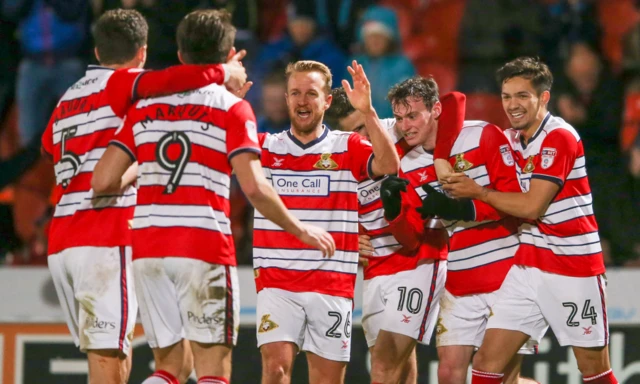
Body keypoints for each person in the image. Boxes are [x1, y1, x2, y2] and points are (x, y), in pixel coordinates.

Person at [92, 10, 335, 384]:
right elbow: (253, 186)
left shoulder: (143, 106)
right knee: (212, 371)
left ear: (179, 55)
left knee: (170, 369)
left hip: (148, 246)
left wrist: (150, 163)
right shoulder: (232, 108)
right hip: (201, 243)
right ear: (228, 55)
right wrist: (300, 228)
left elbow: (104, 180)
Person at [42, 8, 251, 384]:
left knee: (170, 361)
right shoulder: (133, 84)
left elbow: (48, 150)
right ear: (142, 52)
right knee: (110, 365)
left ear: (95, 50)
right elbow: (182, 83)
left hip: (63, 239)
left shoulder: (65, 99)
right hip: (107, 234)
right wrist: (224, 73)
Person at [441, 57, 617, 384]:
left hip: (573, 266)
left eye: (522, 95)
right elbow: (452, 109)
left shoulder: (559, 137)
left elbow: (533, 206)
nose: (512, 104)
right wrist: (439, 158)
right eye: (507, 96)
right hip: (527, 266)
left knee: (593, 370)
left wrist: (479, 192)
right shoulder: (508, 139)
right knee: (487, 363)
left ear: (544, 97)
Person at [254, 60, 399, 384]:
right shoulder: (264, 146)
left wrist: (368, 112)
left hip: (332, 283)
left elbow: (389, 164)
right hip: (278, 281)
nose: (302, 101)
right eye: (295, 93)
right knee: (275, 369)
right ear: (287, 98)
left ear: (327, 100)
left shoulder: (347, 146)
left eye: (311, 93)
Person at [325, 86, 463, 384]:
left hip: (419, 259)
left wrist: (440, 156)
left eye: (363, 126)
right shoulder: (336, 157)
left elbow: (453, 101)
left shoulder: (394, 130)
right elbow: (323, 209)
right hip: (376, 265)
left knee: (385, 365)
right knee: (395, 364)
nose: (363, 138)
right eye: (353, 133)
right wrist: (346, 238)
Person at [415, 111, 542, 384]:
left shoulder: (481, 134)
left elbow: (514, 199)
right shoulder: (408, 159)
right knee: (448, 372)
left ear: (435, 110)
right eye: (399, 118)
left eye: (413, 116)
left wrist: (464, 207)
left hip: (507, 277)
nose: (406, 125)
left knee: (503, 375)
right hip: (460, 278)